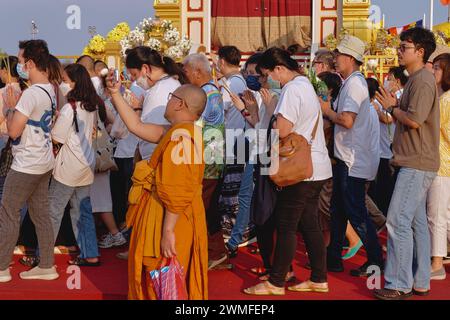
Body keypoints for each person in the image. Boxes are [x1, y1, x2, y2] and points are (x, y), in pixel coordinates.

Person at [106, 78, 209, 300]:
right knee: (157, 277)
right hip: (163, 211)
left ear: (180, 104)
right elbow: (136, 126)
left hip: (172, 217)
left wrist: (168, 231)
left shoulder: (183, 138)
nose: (168, 101)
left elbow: (177, 190)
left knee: (164, 277)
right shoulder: (176, 132)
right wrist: (115, 93)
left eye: (171, 97)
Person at [244, 47, 332, 295]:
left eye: (267, 73)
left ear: (279, 69)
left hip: (300, 169)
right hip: (316, 166)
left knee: (286, 225)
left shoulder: (292, 89)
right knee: (309, 224)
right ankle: (318, 278)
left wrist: (269, 119)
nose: (267, 80)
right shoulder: (305, 85)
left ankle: (276, 282)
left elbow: (282, 129)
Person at [374, 27, 439, 300]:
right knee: (414, 223)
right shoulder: (418, 79)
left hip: (416, 161)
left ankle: (399, 283)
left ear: (420, 52)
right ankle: (420, 280)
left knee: (397, 220)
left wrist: (391, 107)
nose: (399, 51)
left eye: (405, 47)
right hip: (415, 160)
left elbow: (414, 119)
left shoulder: (422, 80)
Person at [320, 35, 384, 277]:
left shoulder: (355, 84)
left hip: (352, 160)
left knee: (356, 213)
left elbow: (347, 120)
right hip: (347, 157)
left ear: (349, 58)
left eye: (337, 56)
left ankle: (376, 259)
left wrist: (327, 111)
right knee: (338, 211)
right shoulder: (350, 83)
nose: (335, 60)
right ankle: (333, 257)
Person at [0, 40, 58, 282]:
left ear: (31, 63)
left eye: (21, 60)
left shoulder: (31, 93)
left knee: (8, 212)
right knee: (40, 213)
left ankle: (2, 267)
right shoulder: (50, 89)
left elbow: (13, 132)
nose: (19, 65)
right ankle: (46, 264)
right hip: (43, 161)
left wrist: (11, 109)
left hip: (26, 164)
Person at [47, 63, 103, 266]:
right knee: (82, 211)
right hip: (86, 164)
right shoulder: (91, 106)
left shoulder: (69, 108)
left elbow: (57, 136)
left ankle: (44, 257)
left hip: (68, 166)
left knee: (54, 210)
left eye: (64, 80)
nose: (62, 84)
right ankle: (90, 253)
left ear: (73, 83)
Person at [182, 53, 229, 270]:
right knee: (208, 208)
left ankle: (208, 252)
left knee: (201, 207)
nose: (185, 75)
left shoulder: (207, 94)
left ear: (198, 71)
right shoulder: (210, 92)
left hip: (207, 160)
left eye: (187, 71)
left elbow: (194, 126)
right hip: (211, 158)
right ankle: (216, 252)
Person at [216, 46, 253, 256]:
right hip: (237, 138)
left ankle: (234, 232)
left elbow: (220, 112)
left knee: (231, 188)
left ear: (222, 61)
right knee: (236, 186)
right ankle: (238, 230)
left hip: (232, 140)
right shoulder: (238, 81)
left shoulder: (231, 83)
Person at [370, 67, 408, 215]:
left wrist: (380, 110)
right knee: (381, 189)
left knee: (386, 191)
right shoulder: (387, 96)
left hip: (389, 151)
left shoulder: (401, 96)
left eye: (389, 78)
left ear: (397, 81)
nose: (386, 81)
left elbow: (389, 118)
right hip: (381, 150)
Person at [426, 53, 450, 281]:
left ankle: (436, 262)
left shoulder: (446, 100)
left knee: (437, 215)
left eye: (437, 69)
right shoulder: (441, 97)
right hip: (438, 163)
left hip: (442, 165)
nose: (433, 72)